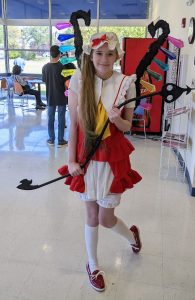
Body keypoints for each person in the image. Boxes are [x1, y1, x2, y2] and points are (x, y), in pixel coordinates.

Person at [58, 32, 142, 292]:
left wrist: (117, 121)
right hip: (86, 157)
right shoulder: (79, 80)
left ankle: (132, 236)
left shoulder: (126, 82)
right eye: (99, 53)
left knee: (107, 218)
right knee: (92, 214)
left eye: (109, 53)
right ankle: (93, 265)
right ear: (90, 55)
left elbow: (128, 126)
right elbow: (74, 124)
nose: (104, 59)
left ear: (118, 56)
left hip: (113, 158)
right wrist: (71, 160)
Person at [42, 45, 72, 147]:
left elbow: (45, 81)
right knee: (61, 118)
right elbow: (67, 83)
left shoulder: (45, 67)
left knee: (50, 118)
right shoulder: (62, 67)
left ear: (50, 54)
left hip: (50, 97)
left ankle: (51, 139)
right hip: (61, 97)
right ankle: (60, 140)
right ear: (59, 54)